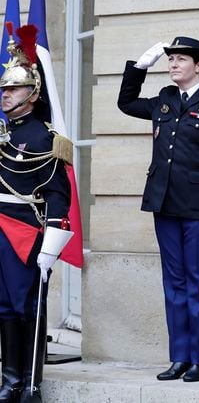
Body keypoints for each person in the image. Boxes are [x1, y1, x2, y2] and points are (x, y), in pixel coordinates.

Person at [117, 36, 199, 383]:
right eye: (170, 59)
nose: (173, 64)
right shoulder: (164, 100)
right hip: (166, 204)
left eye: (180, 59)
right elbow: (126, 103)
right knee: (174, 283)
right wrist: (140, 66)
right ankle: (180, 356)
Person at [0, 25, 72, 403]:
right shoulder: (2, 133)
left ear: (32, 93)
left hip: (26, 230)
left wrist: (52, 245)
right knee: (3, 307)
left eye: (12, 89)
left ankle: (31, 383)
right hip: (0, 228)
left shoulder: (46, 138)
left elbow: (60, 197)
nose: (6, 95)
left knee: (26, 305)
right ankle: (9, 379)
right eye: (4, 90)